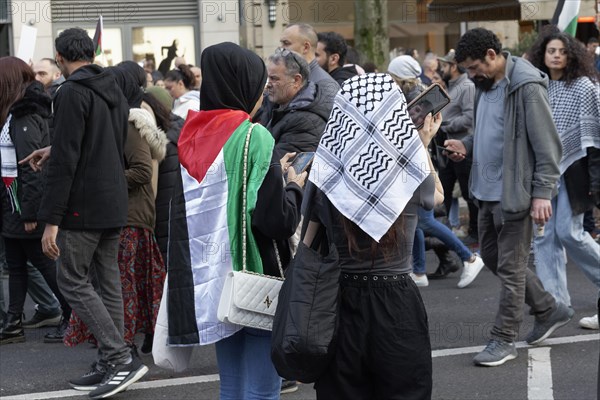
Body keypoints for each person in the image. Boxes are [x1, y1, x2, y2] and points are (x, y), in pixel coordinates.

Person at [164, 42, 306, 400]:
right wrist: (292, 186)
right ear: (241, 86)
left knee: (230, 385)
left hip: (208, 281)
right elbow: (277, 220)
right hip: (253, 276)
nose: (263, 96)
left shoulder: (190, 135)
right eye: (259, 87)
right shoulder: (253, 136)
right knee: (262, 389)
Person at [306, 73, 439, 398]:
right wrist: (421, 143)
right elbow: (437, 196)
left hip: (339, 301)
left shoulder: (326, 165)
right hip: (396, 302)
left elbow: (309, 241)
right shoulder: (407, 166)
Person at [445, 27, 572, 367]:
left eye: (473, 67)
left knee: (512, 268)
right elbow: (490, 133)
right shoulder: (485, 86)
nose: (470, 75)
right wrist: (466, 146)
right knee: (491, 254)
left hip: (515, 194)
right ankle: (548, 308)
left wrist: (543, 193)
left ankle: (504, 339)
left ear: (491, 55)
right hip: (486, 193)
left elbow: (549, 147)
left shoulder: (527, 87)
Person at [35, 28, 148, 397]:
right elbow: (96, 141)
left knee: (72, 280)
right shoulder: (111, 84)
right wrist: (54, 148)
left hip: (84, 204)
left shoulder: (70, 91)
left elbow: (69, 158)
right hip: (113, 198)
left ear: (61, 57)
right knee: (107, 282)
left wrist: (51, 219)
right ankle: (114, 358)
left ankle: (116, 357)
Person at [527, 28, 600, 330]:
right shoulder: (537, 85)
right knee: (544, 239)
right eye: (550, 51)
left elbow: (595, 136)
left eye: (561, 50)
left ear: (571, 55)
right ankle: (555, 306)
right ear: (542, 55)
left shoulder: (584, 86)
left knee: (569, 233)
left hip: (575, 170)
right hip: (542, 172)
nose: (556, 55)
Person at [0, 57, 70, 345]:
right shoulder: (16, 113)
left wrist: (29, 212)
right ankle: (13, 323)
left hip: (24, 206)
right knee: (17, 266)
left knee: (45, 265)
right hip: (13, 203)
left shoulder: (25, 115)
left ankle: (72, 317)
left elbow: (31, 167)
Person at [435, 50, 479, 247]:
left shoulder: (467, 87)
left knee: (468, 192)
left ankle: (475, 232)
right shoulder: (451, 87)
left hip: (462, 148)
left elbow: (470, 117)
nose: (440, 70)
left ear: (453, 67)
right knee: (443, 191)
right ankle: (442, 234)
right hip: (447, 148)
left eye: (444, 66)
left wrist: (445, 124)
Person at [263, 48, 333, 158]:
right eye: (267, 78)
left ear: (296, 80)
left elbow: (277, 166)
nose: (268, 84)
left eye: (274, 78)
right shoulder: (277, 103)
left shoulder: (306, 122)